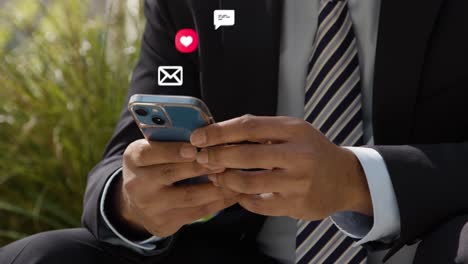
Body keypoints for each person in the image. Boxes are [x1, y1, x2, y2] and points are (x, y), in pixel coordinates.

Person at [2, 0, 468, 263]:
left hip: (429, 250)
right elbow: (122, 158)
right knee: (42, 257)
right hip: (240, 253)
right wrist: (133, 203)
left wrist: (356, 181)